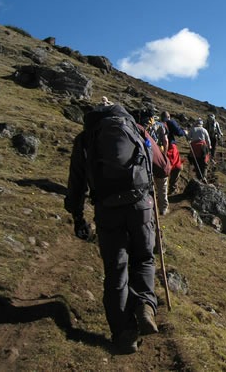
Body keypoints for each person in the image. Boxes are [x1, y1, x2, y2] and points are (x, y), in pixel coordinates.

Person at [64, 103, 159, 354]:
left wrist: (77, 215)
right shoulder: (138, 130)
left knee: (116, 268)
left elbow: (76, 182)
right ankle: (146, 306)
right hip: (141, 205)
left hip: (107, 208)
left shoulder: (86, 139)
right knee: (144, 258)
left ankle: (125, 334)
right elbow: (160, 165)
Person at [146, 115, 170, 215]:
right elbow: (165, 140)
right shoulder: (160, 126)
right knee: (162, 184)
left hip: (145, 156)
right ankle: (163, 208)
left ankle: (148, 208)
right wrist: (164, 154)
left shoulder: (140, 125)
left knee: (147, 183)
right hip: (158, 154)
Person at [160, 111, 187, 194]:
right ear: (168, 117)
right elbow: (178, 132)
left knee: (164, 167)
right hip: (170, 147)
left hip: (159, 148)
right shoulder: (170, 122)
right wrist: (184, 132)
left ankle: (163, 189)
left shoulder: (157, 124)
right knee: (177, 167)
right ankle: (172, 188)